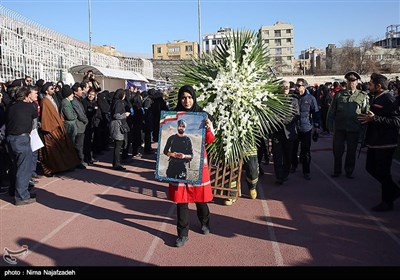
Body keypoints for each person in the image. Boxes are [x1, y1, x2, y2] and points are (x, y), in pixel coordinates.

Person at [167, 85, 215, 248]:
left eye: (189, 97)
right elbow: (165, 146)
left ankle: (205, 222)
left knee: (200, 198)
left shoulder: (203, 116)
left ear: (194, 98)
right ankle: (182, 234)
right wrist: (173, 155)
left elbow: (209, 140)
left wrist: (208, 126)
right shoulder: (173, 117)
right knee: (182, 200)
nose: (186, 101)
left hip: (198, 163)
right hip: (177, 167)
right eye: (183, 97)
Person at [357, 73, 400, 212]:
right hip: (374, 141)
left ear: (379, 86)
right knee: (370, 168)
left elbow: (396, 121)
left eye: (370, 84)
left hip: (386, 143)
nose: (368, 86)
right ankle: (393, 190)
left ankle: (387, 201)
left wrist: (375, 119)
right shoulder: (376, 97)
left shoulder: (389, 99)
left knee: (383, 172)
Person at [327, 71, 369, 179]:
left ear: (357, 82)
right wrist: (330, 126)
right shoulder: (339, 95)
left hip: (354, 128)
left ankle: (349, 171)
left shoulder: (362, 96)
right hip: (340, 128)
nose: (351, 83)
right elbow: (331, 111)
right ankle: (337, 170)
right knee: (337, 150)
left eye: (353, 81)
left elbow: (365, 113)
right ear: (346, 81)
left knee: (351, 151)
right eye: (349, 81)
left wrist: (363, 130)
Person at [5, 86, 38, 205]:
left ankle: (14, 190)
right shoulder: (29, 106)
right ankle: (22, 196)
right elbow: (34, 118)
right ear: (26, 96)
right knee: (23, 168)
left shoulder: (10, 106)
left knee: (14, 166)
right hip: (22, 139)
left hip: (10, 139)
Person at [290, 78, 320, 180]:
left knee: (305, 151)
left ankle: (306, 171)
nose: (297, 87)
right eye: (296, 85)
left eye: (299, 85)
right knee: (293, 149)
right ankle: (293, 165)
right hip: (294, 128)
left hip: (306, 128)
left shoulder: (311, 98)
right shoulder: (291, 97)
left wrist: (317, 126)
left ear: (304, 86)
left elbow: (316, 113)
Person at [271, 80, 300, 185]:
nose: (285, 89)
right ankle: (279, 176)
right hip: (277, 132)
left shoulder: (293, 100)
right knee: (277, 156)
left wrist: (283, 121)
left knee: (287, 156)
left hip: (289, 132)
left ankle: (285, 174)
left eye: (287, 87)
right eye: (283, 87)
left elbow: (296, 115)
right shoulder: (274, 100)